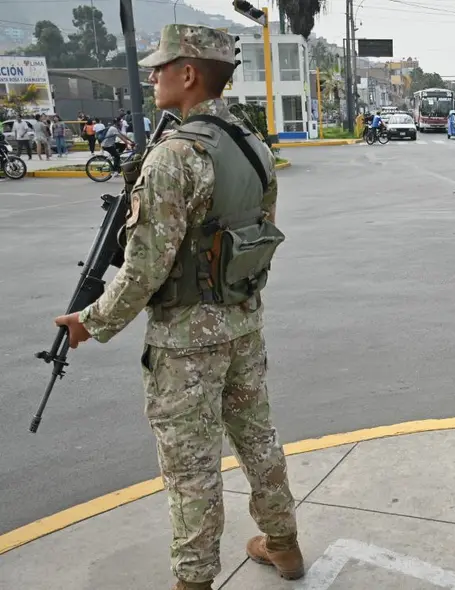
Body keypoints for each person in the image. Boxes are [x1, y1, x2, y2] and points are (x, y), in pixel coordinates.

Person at [53, 23, 301, 590]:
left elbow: (144, 270)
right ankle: (284, 546)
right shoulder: (252, 145)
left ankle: (192, 581)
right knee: (258, 439)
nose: (153, 75)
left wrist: (91, 322)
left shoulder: (174, 158)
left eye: (161, 67)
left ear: (188, 74)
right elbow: (262, 234)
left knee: (191, 469)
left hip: (185, 342)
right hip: (242, 322)